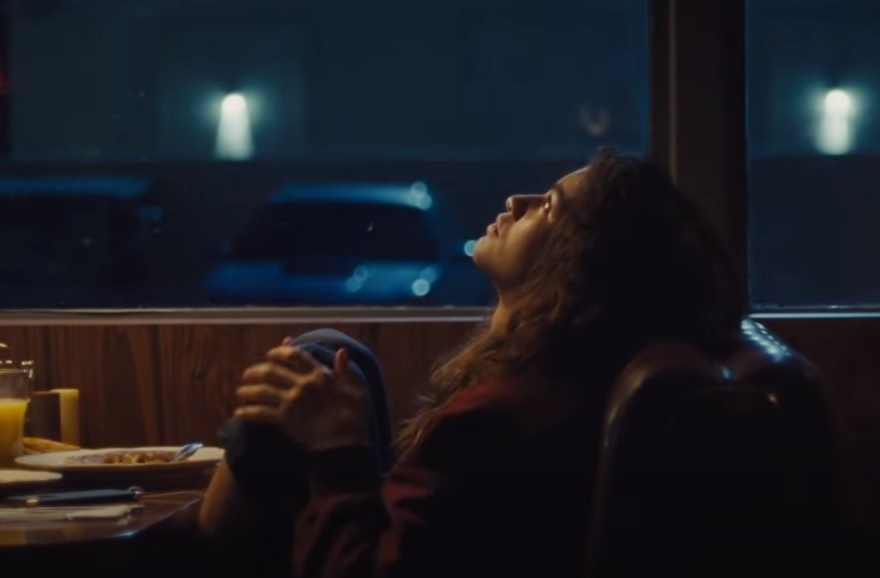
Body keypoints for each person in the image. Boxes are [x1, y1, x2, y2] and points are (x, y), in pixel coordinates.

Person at [197, 148, 745, 577]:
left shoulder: (497, 419)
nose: (517, 200)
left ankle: (189, 557)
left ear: (580, 265)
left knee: (312, 360)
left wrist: (337, 451)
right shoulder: (557, 386)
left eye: (549, 207)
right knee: (337, 354)